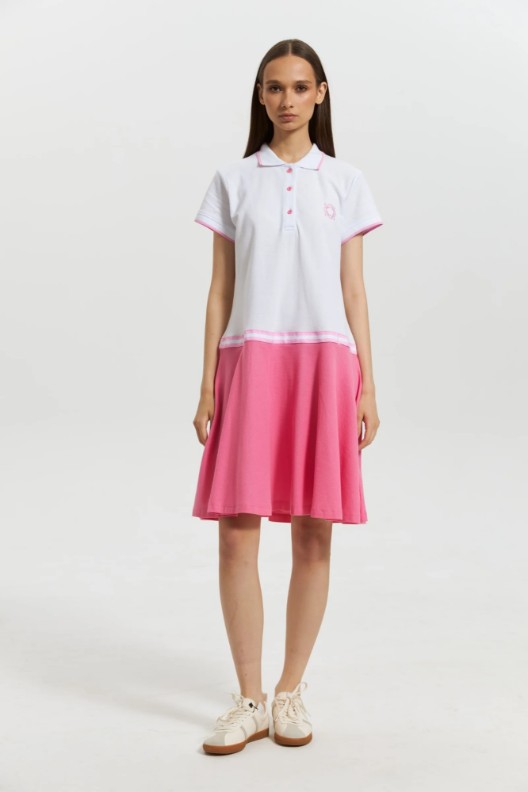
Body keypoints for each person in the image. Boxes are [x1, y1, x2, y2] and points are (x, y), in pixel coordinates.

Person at [191, 38, 383, 755]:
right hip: (251, 360)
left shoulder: (346, 182)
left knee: (312, 530)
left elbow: (354, 289)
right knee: (236, 532)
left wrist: (368, 383)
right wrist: (207, 381)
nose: (287, 99)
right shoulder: (233, 180)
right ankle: (248, 700)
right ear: (260, 96)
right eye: (274, 87)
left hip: (325, 363)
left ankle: (290, 690)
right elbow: (220, 289)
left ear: (320, 94)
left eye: (300, 87)